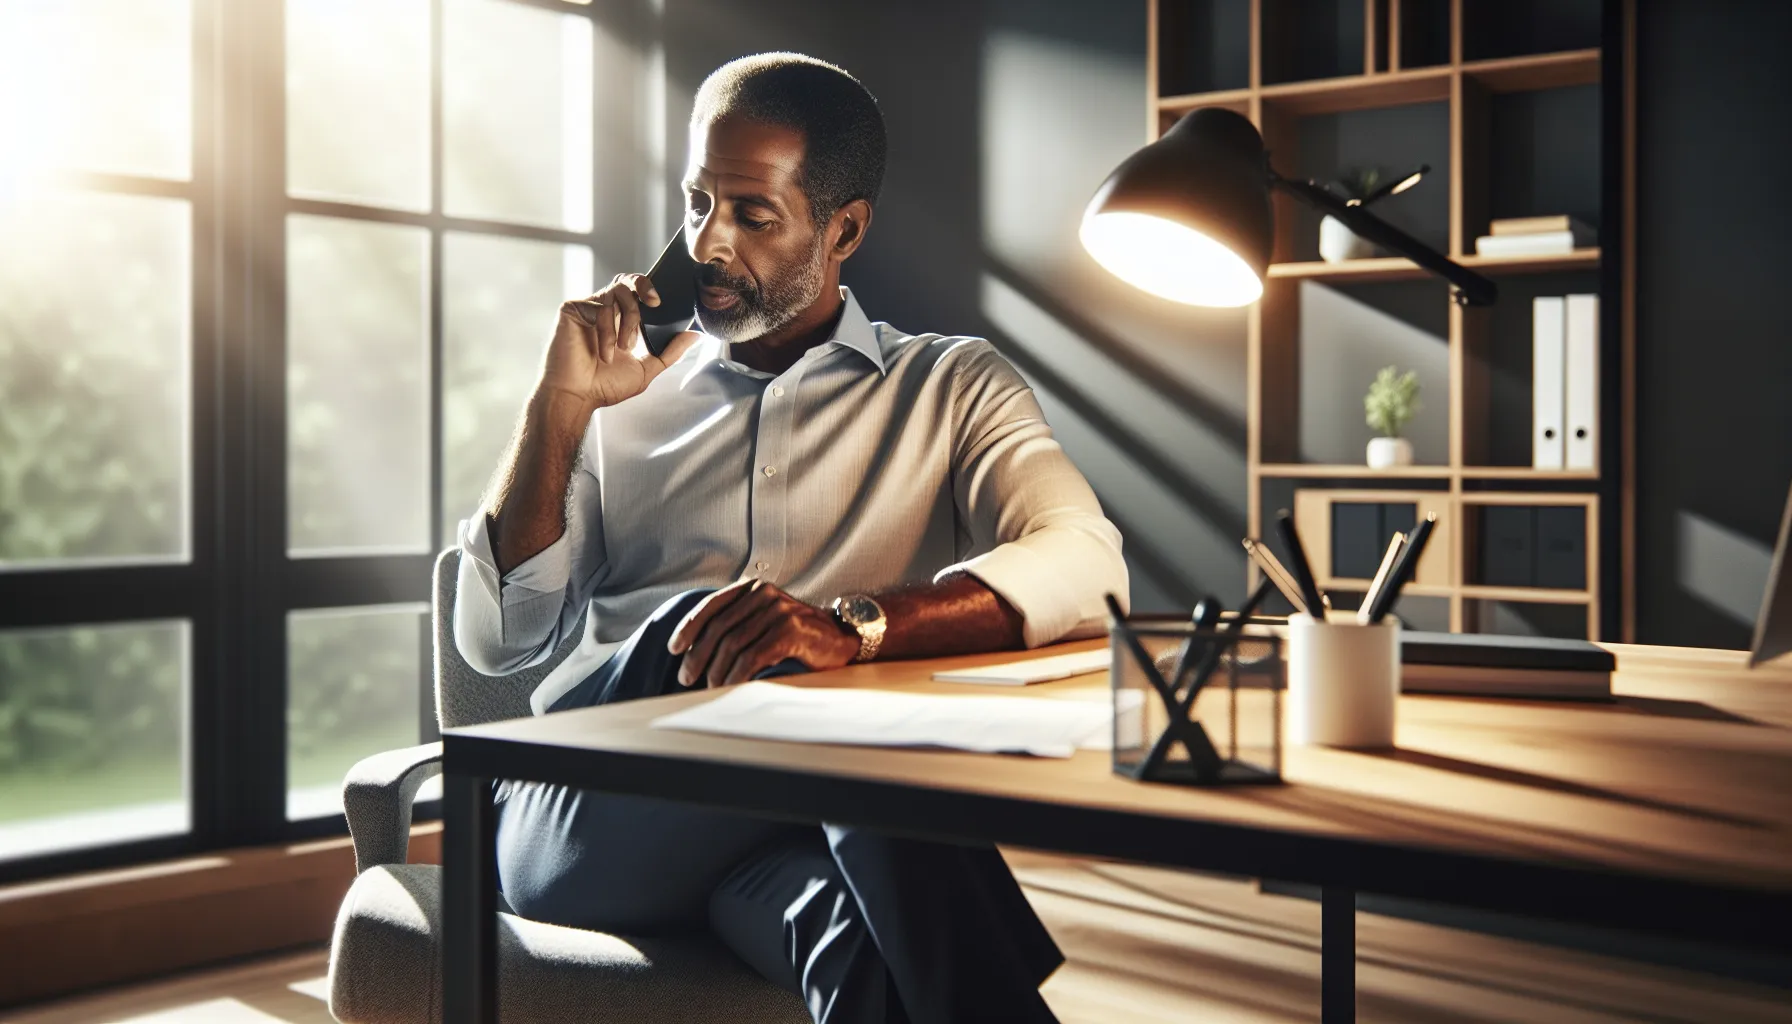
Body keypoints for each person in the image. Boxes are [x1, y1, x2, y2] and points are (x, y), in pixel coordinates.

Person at [454, 51, 1128, 1024]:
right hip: (583, 815)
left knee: (863, 956)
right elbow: (497, 640)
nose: (708, 242)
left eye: (753, 215)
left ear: (843, 228)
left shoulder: (950, 387)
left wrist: (849, 629)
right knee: (727, 635)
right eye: (697, 203)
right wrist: (559, 407)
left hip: (796, 825)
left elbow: (1086, 562)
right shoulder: (614, 396)